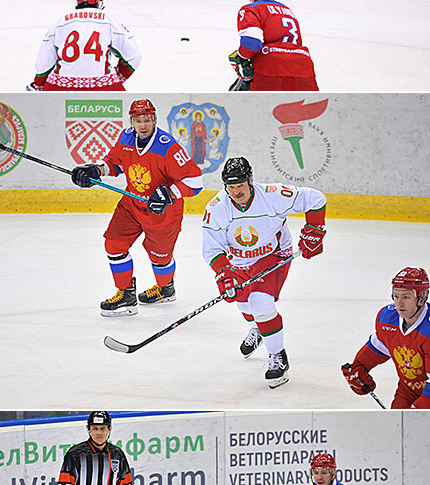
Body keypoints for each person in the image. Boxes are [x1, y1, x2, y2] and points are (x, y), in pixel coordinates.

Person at [202, 156, 327, 388]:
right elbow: (212, 248)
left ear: (250, 181)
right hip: (238, 260)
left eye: (240, 185)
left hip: (274, 254)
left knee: (260, 302)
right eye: (231, 186)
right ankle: (257, 329)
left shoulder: (273, 195)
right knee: (242, 303)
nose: (236, 191)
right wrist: (223, 273)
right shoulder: (217, 208)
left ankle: (278, 356)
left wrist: (314, 230)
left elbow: (316, 199)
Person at [71, 98, 202, 315]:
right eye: (138, 120)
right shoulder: (126, 137)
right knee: (113, 244)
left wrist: (169, 193)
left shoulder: (168, 147)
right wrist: (96, 170)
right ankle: (126, 295)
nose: (143, 125)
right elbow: (115, 162)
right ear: (132, 121)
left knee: (160, 258)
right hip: (132, 204)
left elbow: (195, 181)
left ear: (155, 120)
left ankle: (165, 288)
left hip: (163, 212)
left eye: (147, 120)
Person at [28, 0, 142, 91]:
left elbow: (43, 63)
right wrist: (119, 77)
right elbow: (134, 57)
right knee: (124, 107)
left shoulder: (60, 22)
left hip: (60, 86)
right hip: (102, 87)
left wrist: (38, 84)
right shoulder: (109, 21)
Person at [342, 266, 430, 409]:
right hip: (408, 390)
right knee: (396, 424)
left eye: (406, 297)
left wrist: (415, 414)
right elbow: (375, 350)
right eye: (396, 296)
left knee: (413, 426)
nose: (399, 303)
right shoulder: (388, 319)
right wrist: (358, 369)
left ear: (421, 298)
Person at [229, 0, 319, 92]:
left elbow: (251, 42)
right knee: (308, 110)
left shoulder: (251, 9)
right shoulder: (288, 11)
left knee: (245, 105)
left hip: (270, 70)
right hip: (304, 70)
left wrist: (241, 57)